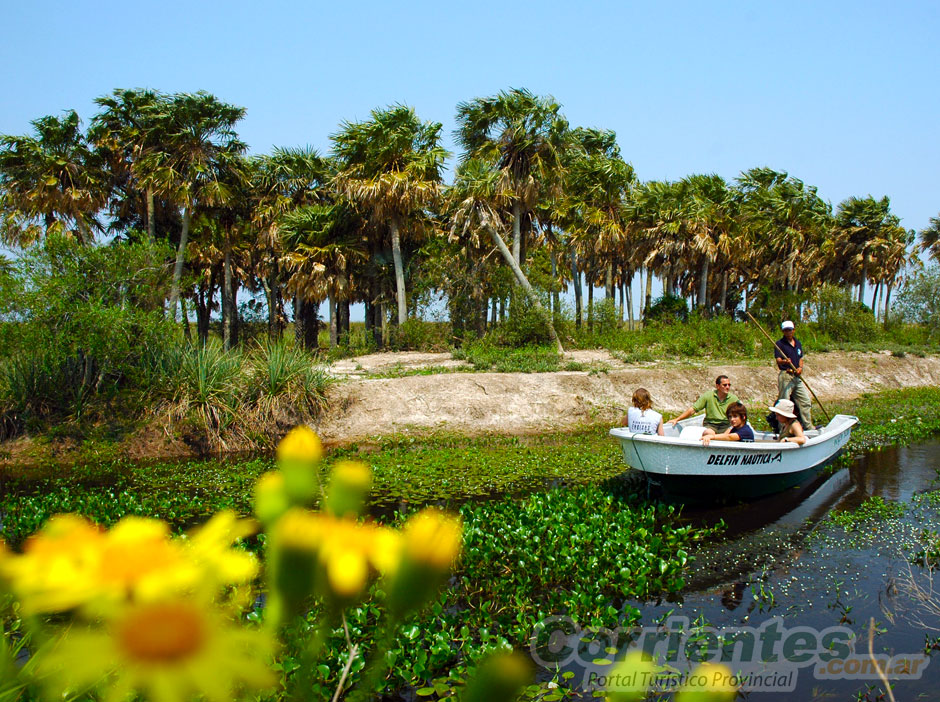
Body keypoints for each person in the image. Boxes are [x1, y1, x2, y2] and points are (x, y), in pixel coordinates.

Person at [774, 320, 814, 430]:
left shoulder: (798, 343)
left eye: (790, 330)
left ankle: (808, 426)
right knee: (784, 402)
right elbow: (778, 360)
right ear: (783, 331)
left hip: (796, 376)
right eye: (786, 330)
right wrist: (785, 361)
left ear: (793, 330)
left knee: (805, 401)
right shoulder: (779, 344)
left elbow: (801, 358)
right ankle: (782, 428)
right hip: (786, 375)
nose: (788, 332)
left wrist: (800, 368)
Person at [667, 375, 739, 433]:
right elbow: (693, 409)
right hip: (711, 425)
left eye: (729, 385)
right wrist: (677, 419)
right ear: (717, 386)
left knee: (730, 434)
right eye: (725, 385)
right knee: (709, 433)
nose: (727, 387)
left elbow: (741, 413)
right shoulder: (708, 395)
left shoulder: (733, 399)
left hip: (726, 425)